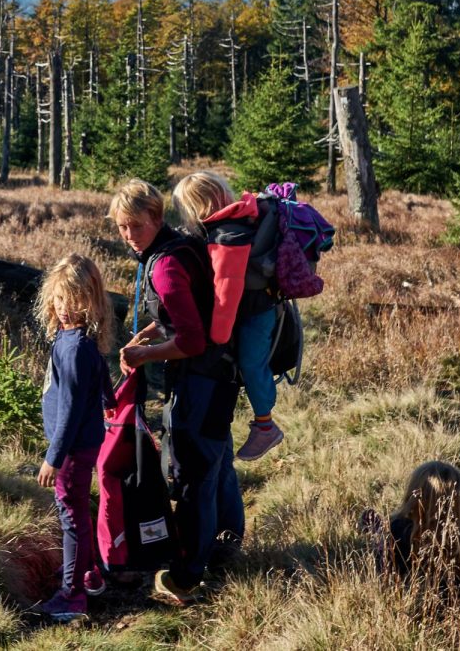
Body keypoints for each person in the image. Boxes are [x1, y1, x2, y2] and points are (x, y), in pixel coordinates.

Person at [111, 179, 244, 605]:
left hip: (199, 380)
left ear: (155, 217)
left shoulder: (165, 265)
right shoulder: (181, 247)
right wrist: (147, 336)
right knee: (218, 459)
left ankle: (188, 573)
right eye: (120, 228)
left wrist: (144, 355)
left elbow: (191, 340)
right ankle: (227, 549)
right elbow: (179, 314)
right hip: (222, 375)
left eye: (134, 225)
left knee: (193, 477)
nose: (128, 235)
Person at [172, 171, 283, 461]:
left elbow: (227, 292)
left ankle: (266, 426)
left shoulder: (227, 236)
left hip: (256, 313)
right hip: (258, 306)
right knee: (249, 361)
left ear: (199, 206)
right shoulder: (237, 219)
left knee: (251, 362)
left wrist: (216, 337)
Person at [35, 253, 116, 622]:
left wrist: (53, 457)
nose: (65, 307)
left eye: (75, 299)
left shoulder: (76, 348)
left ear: (92, 301)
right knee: (78, 511)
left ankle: (72, 594)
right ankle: (88, 573)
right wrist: (110, 400)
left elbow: (68, 409)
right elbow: (101, 382)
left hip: (71, 449)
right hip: (81, 444)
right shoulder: (78, 340)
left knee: (71, 516)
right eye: (60, 298)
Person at [359, 461, 460, 594]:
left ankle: (376, 532)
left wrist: (381, 539)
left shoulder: (399, 528)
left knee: (382, 538)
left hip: (413, 602)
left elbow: (383, 572)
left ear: (414, 495)